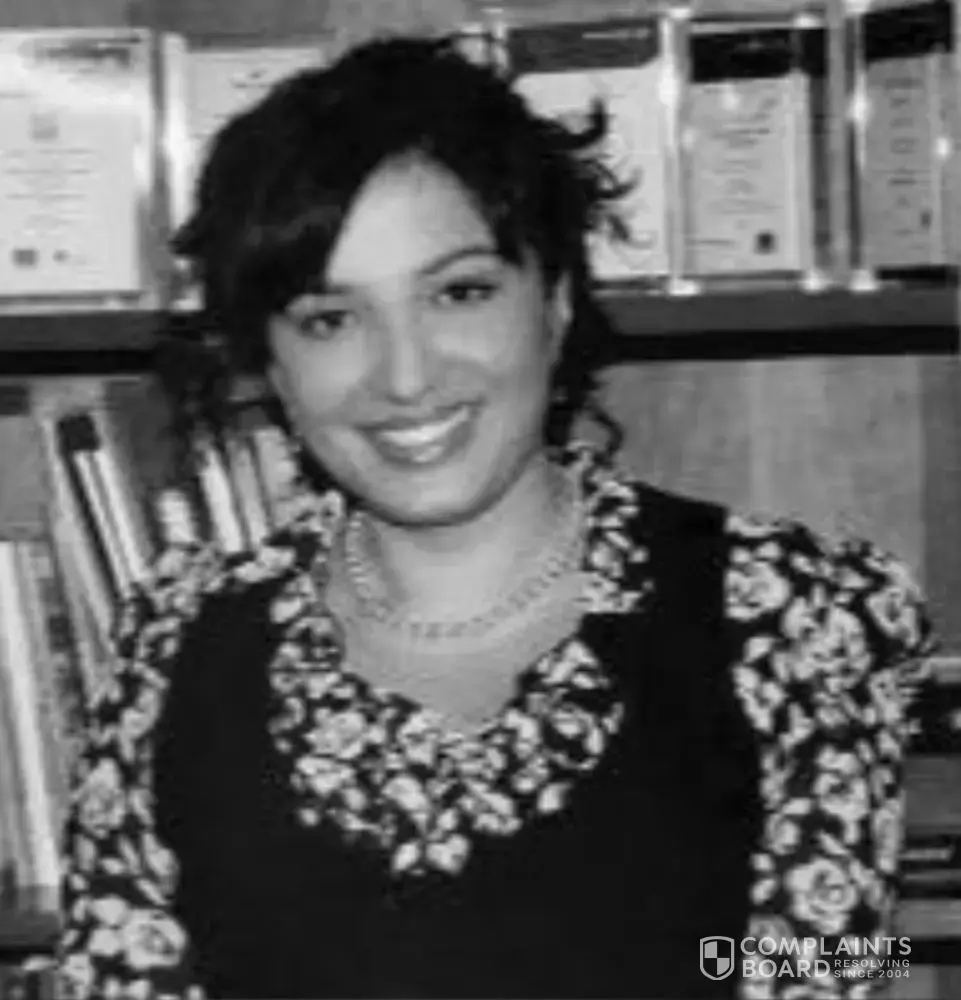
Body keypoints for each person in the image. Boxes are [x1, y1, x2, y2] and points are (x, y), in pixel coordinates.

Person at [55, 34, 933, 1000]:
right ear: (269, 363)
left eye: (459, 292)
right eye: (329, 319)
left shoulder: (800, 615)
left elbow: (838, 970)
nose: (406, 375)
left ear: (554, 302)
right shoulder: (176, 647)